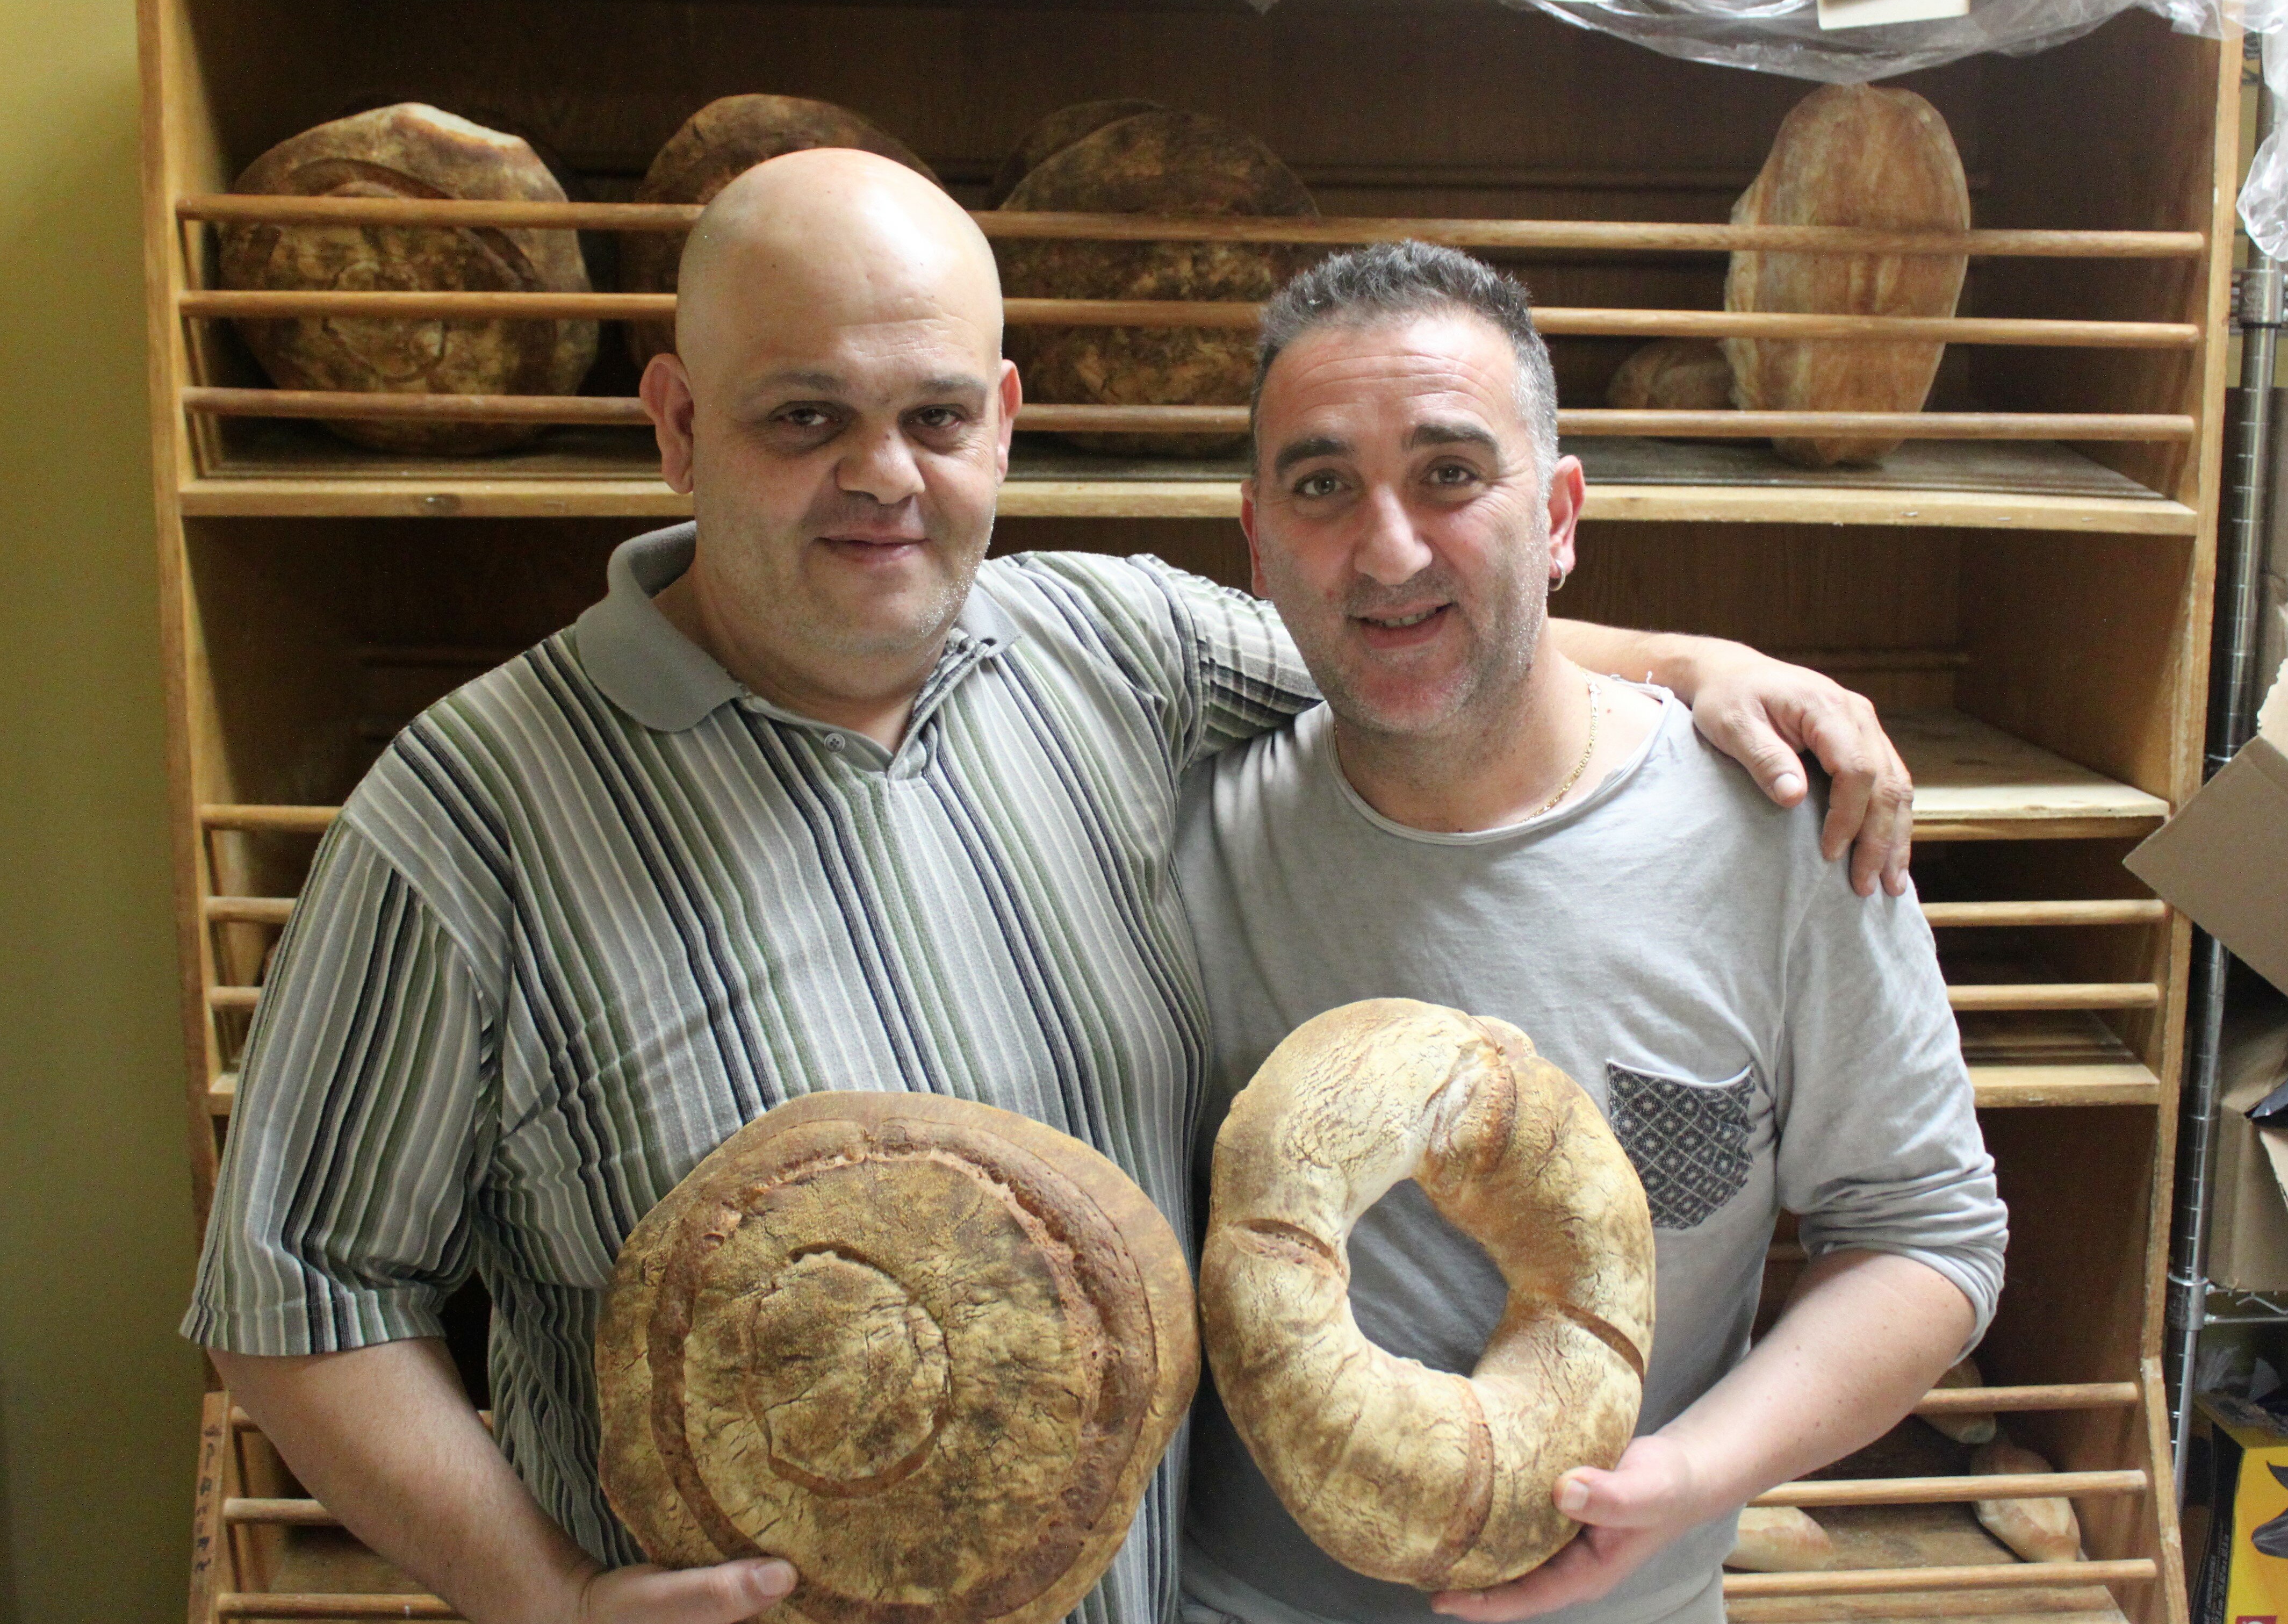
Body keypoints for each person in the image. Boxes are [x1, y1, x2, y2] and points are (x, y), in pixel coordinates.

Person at [184, 155, 1916, 1624]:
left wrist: (1696, 655)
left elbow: (1396, 617)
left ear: (1002, 423)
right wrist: (547, 1600)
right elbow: (296, 1303)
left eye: (934, 415)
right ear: (677, 425)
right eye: (806, 420)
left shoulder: (1101, 647)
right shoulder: (463, 816)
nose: (884, 475)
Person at [1174, 242, 2006, 1624]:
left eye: (1450, 475)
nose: (1386, 549)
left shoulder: (1780, 830)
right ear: (1257, 540)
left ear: (1556, 516)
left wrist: (1687, 1474)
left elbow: (1926, 1238)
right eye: (1323, 487)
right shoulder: (1183, 825)